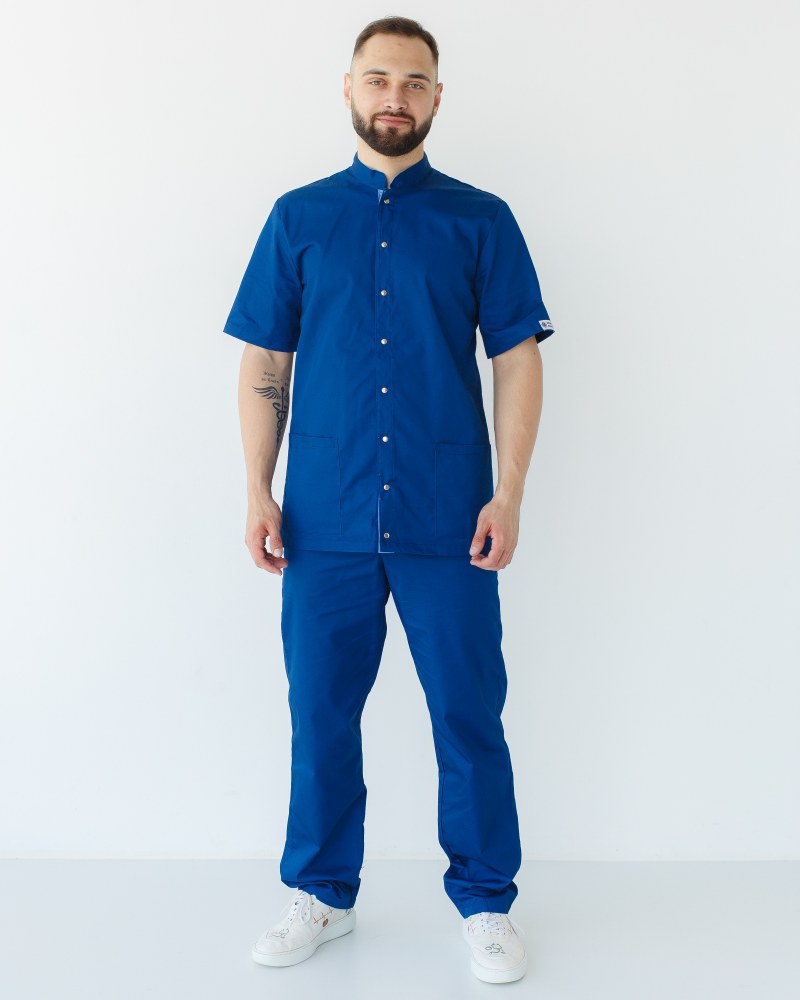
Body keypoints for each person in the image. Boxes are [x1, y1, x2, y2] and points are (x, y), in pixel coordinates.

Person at [222, 15, 556, 986]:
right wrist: (256, 488)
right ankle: (320, 893)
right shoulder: (297, 218)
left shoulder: (480, 221)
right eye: (377, 79)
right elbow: (265, 359)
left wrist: (508, 491)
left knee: (467, 713)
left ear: (437, 97)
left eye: (413, 82)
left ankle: (486, 903)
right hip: (321, 516)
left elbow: (516, 359)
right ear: (348, 88)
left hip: (448, 515)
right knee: (321, 715)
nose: (394, 97)